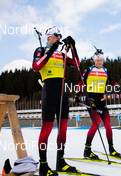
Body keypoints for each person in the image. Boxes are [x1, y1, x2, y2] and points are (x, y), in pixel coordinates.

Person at [32, 26, 78, 175]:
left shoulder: (62, 54)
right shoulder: (41, 50)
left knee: (63, 128)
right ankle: (44, 165)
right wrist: (52, 50)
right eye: (56, 35)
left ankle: (60, 160)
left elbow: (77, 64)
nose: (59, 38)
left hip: (62, 92)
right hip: (49, 91)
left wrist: (73, 47)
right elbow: (36, 66)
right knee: (47, 128)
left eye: (60, 36)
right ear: (49, 37)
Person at [82, 50, 121, 160]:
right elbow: (81, 83)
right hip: (91, 100)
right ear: (94, 60)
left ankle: (111, 149)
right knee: (96, 123)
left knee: (108, 125)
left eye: (101, 60)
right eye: (97, 60)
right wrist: (79, 95)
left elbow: (112, 81)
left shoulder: (105, 70)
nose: (99, 62)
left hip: (101, 101)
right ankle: (87, 150)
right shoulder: (89, 70)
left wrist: (116, 87)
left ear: (103, 61)